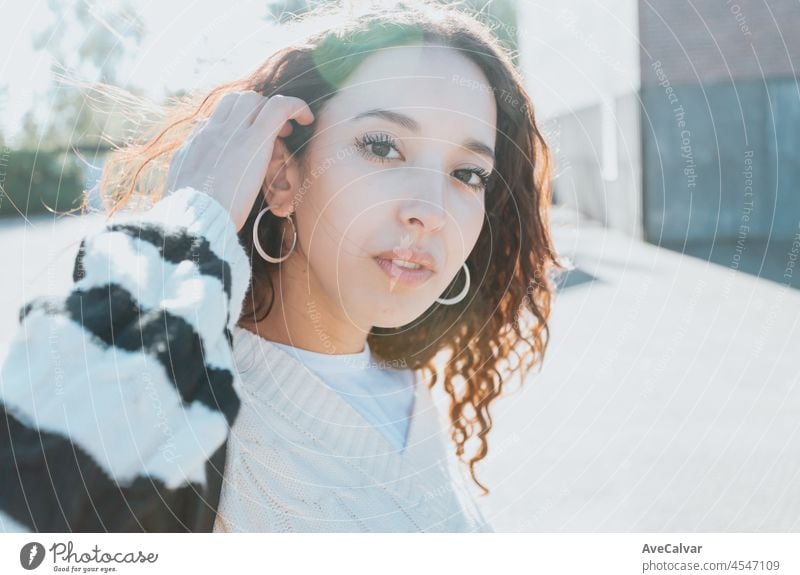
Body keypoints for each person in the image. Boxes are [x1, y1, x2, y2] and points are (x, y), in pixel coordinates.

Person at [0, 0, 564, 532]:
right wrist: (196, 216)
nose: (431, 212)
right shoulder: (194, 417)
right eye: (382, 146)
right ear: (282, 175)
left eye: (468, 175)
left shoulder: (407, 392)